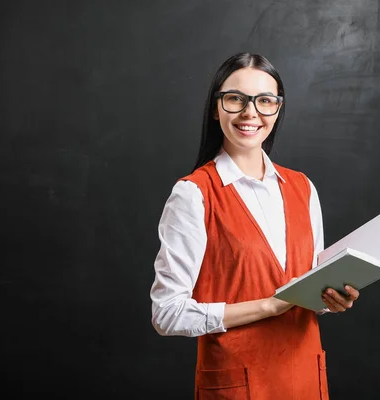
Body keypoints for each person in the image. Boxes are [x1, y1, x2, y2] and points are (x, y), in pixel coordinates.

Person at [149, 52, 360, 400]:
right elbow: (166, 313)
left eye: (265, 101)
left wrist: (330, 298)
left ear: (277, 110)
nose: (251, 112)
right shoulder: (193, 194)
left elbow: (307, 284)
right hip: (238, 386)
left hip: (305, 379)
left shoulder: (303, 187)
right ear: (216, 108)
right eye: (235, 99)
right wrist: (269, 306)